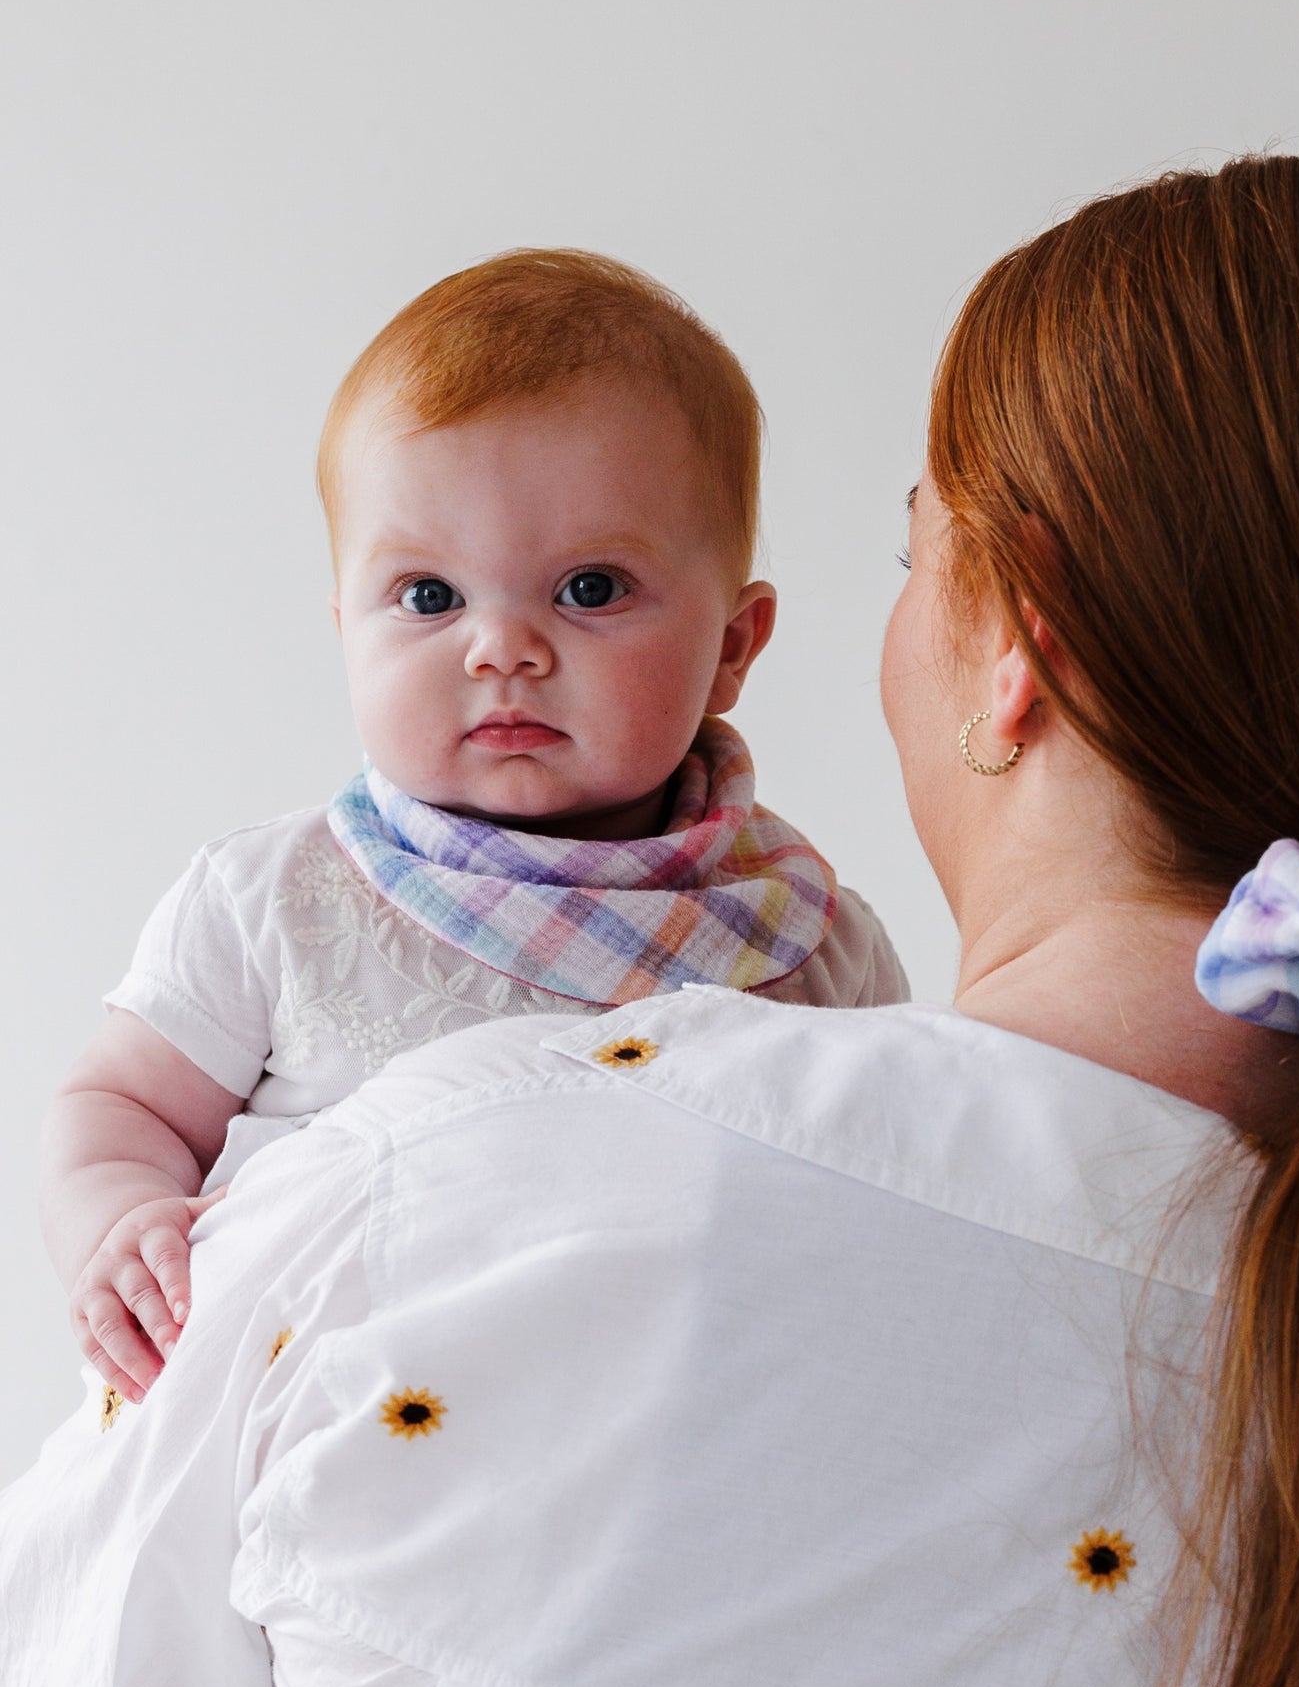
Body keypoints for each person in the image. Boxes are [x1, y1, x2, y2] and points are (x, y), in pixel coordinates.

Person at [5, 150, 1299, 1687]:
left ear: (1027, 643)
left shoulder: (406, 1190)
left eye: (911, 563)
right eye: (426, 595)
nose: (503, 647)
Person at [37, 249, 906, 1408]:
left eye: (588, 590)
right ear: (343, 624)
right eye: (430, 598)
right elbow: (120, 1105)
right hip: (311, 1447)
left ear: (733, 649)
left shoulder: (811, 946)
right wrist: (126, 1218)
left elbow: (899, 1196)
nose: (502, 648)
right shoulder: (278, 899)